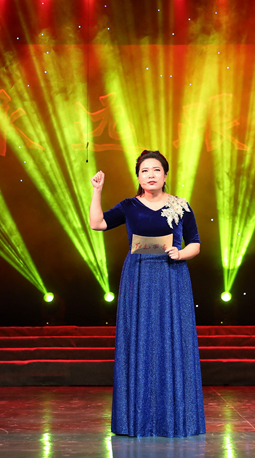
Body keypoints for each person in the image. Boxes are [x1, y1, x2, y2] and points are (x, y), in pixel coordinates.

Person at [89, 150, 205, 437]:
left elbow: (195, 243)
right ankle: (137, 416)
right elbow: (97, 223)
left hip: (171, 276)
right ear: (138, 177)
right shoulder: (129, 205)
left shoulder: (180, 205)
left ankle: (176, 416)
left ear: (165, 175)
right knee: (139, 339)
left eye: (156, 170)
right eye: (144, 171)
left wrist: (180, 254)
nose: (150, 175)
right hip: (138, 276)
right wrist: (97, 191)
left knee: (172, 338)